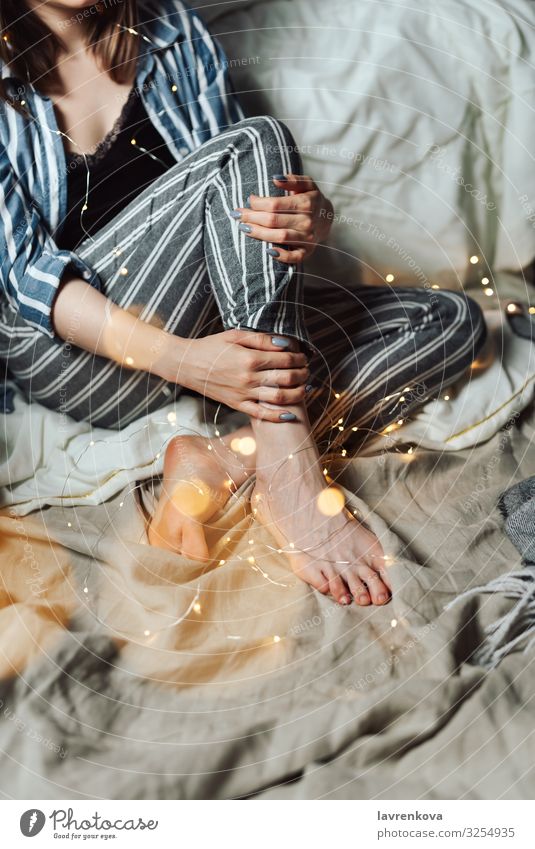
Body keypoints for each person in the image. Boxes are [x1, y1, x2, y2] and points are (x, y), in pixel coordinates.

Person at [0, 0, 487, 607]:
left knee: (449, 323)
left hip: (207, 329)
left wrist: (317, 221)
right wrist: (183, 360)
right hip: (75, 359)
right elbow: (25, 282)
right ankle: (290, 468)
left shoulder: (172, 29)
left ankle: (225, 457)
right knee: (255, 139)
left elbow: (242, 213)